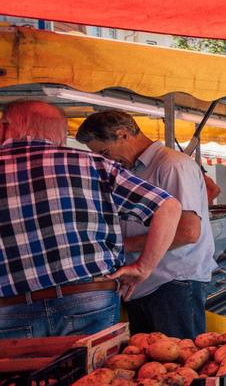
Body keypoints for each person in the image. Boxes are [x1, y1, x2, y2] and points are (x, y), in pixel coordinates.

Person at [0, 100, 180, 338]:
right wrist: (142, 268)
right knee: (92, 373)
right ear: (60, 133)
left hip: (10, 305)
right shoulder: (92, 164)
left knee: (26, 375)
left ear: (6, 127)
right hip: (88, 295)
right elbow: (168, 207)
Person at [76, 110, 218, 337]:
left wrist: (125, 245)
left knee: (179, 365)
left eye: (105, 152)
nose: (107, 161)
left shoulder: (172, 165)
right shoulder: (127, 171)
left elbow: (187, 231)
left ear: (122, 135)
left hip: (173, 283)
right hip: (142, 283)